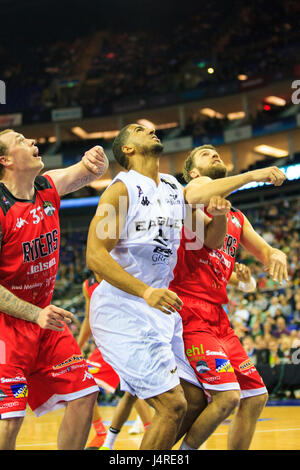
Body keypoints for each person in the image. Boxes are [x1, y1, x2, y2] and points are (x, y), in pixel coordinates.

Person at [86, 123, 233, 450]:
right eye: (140, 130)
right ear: (128, 149)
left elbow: (207, 237)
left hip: (162, 309)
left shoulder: (169, 185)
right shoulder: (121, 189)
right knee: (172, 405)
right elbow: (95, 255)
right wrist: (145, 291)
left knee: (195, 399)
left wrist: (229, 203)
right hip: (124, 309)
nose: (151, 130)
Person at [169, 143, 288, 450]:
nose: (215, 153)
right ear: (194, 171)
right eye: (206, 153)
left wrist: (276, 253)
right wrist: (254, 174)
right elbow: (210, 240)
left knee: (256, 396)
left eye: (215, 151)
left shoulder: (235, 214)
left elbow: (263, 250)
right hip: (189, 310)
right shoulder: (194, 192)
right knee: (228, 397)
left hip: (218, 315)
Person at [0, 129, 109, 450]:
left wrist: (96, 160)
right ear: (4, 160)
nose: (33, 142)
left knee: (85, 394)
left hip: (46, 320)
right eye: (21, 140)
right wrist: (34, 313)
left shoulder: (47, 186)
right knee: (10, 420)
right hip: (7, 327)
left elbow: (87, 171)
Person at [77, 273, 151, 449]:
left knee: (131, 390)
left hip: (128, 339)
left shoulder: (123, 274)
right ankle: (101, 433)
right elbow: (88, 318)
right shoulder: (88, 285)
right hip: (105, 346)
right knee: (85, 383)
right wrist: (77, 346)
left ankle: (149, 430)